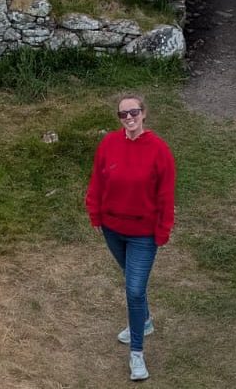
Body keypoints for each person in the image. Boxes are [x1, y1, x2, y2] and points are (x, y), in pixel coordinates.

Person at [85, 93, 176, 382]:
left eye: (133, 112)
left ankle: (137, 353)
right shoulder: (109, 144)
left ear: (144, 113)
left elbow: (165, 195)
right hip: (113, 229)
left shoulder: (160, 151)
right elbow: (98, 181)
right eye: (123, 114)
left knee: (134, 290)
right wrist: (95, 214)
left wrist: (162, 231)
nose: (129, 118)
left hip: (143, 235)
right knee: (131, 278)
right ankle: (145, 321)